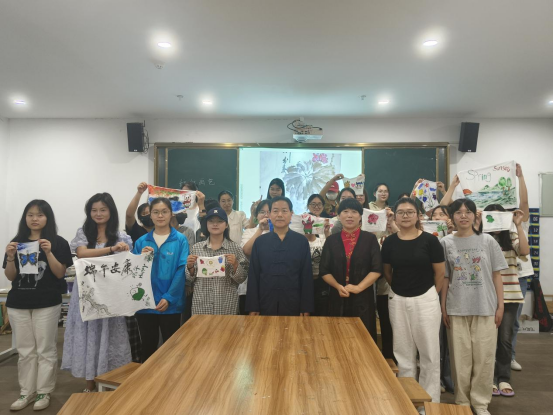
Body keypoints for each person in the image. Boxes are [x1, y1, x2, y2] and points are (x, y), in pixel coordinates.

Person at [440, 199, 507, 415]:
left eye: (468, 212)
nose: (463, 216)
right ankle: (462, 402)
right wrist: (443, 307)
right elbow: (445, 278)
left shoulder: (488, 241)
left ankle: (480, 403)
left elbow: (496, 275)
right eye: (458, 212)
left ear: (474, 215)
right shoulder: (446, 243)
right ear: (452, 217)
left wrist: (500, 305)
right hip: (457, 307)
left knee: (484, 358)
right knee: (460, 360)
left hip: (485, 307)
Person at [4, 200, 73, 411]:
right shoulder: (17, 242)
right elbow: (11, 276)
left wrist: (49, 252)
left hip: (47, 302)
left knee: (45, 349)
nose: (35, 219)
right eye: (30, 215)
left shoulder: (58, 242)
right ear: (25, 217)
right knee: (25, 350)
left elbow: (60, 273)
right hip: (18, 302)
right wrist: (10, 258)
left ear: (47, 218)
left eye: (40, 215)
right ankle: (27, 392)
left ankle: (44, 391)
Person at [62, 193, 133, 392]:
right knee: (88, 334)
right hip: (86, 292)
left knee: (109, 334)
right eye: (94, 210)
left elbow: (126, 263)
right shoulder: (84, 233)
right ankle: (89, 382)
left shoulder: (121, 236)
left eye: (103, 209)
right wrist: (112, 249)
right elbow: (82, 253)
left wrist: (124, 250)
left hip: (109, 293)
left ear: (111, 211)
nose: (98, 213)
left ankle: (110, 379)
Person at [382, 197, 445, 406]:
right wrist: (401, 289)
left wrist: (429, 294)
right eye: (401, 212)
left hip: (426, 299)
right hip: (398, 299)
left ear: (418, 216)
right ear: (395, 217)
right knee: (403, 353)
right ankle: (408, 402)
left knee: (429, 354)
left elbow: (440, 273)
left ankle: (429, 404)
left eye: (410, 212)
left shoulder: (430, 241)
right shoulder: (389, 242)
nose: (405, 216)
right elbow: (388, 272)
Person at [133, 197, 189, 361]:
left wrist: (169, 297)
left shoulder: (180, 240)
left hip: (170, 304)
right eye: (156, 212)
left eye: (164, 212)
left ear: (171, 214)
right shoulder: (141, 242)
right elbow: (133, 273)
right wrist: (140, 258)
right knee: (148, 348)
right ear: (150, 215)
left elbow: (181, 270)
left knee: (171, 350)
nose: (160, 216)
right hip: (146, 303)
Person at [482, 204, 528, 398]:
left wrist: (518, 225)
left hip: (510, 296)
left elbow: (524, 251)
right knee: (486, 340)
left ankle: (503, 378)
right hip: (486, 297)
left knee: (505, 339)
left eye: (499, 216)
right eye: (491, 216)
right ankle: (488, 379)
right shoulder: (481, 237)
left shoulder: (511, 236)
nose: (495, 220)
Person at [319, 198, 382, 339]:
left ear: (360, 216)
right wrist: (338, 286)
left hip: (363, 298)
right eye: (345, 211)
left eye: (354, 212)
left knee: (363, 339)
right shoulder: (331, 241)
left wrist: (359, 288)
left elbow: (377, 269)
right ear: (339, 216)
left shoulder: (370, 239)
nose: (349, 215)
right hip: (337, 296)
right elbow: (324, 270)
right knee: (337, 338)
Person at [246, 196, 314, 316]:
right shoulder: (260, 242)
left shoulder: (301, 241)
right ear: (269, 214)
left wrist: (306, 307)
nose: (280, 215)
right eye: (275, 211)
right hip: (265, 302)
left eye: (284, 211)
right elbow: (254, 276)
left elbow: (306, 276)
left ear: (291, 214)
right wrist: (253, 306)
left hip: (293, 302)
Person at [186, 208, 248, 315]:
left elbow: (242, 278)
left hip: (227, 305)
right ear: (206, 224)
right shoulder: (196, 248)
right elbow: (190, 278)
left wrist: (235, 265)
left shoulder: (235, 248)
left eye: (220, 221)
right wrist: (190, 267)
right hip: (201, 304)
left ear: (226, 225)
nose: (215, 224)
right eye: (211, 221)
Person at [511, 163, 532, 371]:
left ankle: (510, 356)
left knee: (514, 320)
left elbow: (524, 202)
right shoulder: (492, 224)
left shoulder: (520, 221)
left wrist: (521, 177)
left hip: (520, 276)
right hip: (500, 276)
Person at [239, 200, 271, 314]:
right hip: (250, 287)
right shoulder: (249, 232)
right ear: (257, 215)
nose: (266, 215)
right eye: (262, 212)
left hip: (272, 287)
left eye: (269, 212)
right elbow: (247, 251)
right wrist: (260, 229)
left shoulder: (280, 233)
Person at [305, 194, 331, 316]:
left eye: (319, 204)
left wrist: (327, 232)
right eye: (313, 204)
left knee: (322, 312)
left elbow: (331, 248)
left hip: (323, 278)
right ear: (308, 206)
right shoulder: (302, 224)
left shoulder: (327, 223)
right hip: (305, 278)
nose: (316, 206)